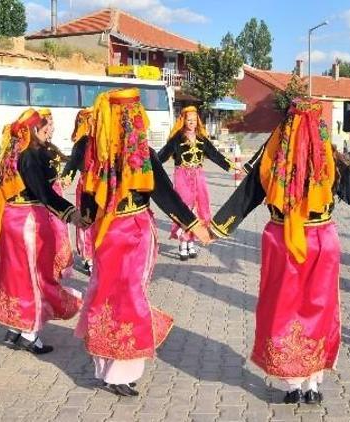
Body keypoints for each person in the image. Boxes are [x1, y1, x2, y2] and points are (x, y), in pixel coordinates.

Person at [209, 99, 350, 404]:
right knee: (318, 308)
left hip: (282, 239)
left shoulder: (273, 159)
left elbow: (245, 196)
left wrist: (217, 227)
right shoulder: (327, 160)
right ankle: (311, 383)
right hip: (319, 240)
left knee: (283, 309)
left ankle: (294, 384)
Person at [73, 88, 210, 397]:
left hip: (106, 231)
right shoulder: (139, 154)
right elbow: (163, 193)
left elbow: (87, 195)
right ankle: (118, 368)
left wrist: (84, 217)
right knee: (129, 295)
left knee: (106, 293)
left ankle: (107, 365)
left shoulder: (95, 153)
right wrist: (194, 225)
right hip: (133, 231)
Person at [0, 108, 85, 355]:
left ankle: (16, 328)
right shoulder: (30, 155)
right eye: (45, 126)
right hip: (29, 220)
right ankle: (29, 334)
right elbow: (43, 191)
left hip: (13, 218)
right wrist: (71, 213)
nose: (49, 130)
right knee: (36, 276)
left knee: (17, 275)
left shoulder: (10, 153)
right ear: (33, 130)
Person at [158, 106, 235, 260]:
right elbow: (162, 155)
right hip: (182, 175)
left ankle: (191, 241)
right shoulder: (177, 139)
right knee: (184, 208)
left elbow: (215, 155)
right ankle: (183, 243)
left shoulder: (201, 139)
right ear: (183, 121)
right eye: (189, 120)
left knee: (198, 208)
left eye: (194, 120)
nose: (192, 123)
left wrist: (231, 165)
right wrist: (149, 165)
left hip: (198, 175)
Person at [60, 108, 95, 275]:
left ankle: (101, 253)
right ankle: (88, 257)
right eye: (91, 120)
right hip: (86, 186)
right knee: (86, 221)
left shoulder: (105, 140)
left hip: (103, 187)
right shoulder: (81, 144)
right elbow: (71, 166)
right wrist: (59, 185)